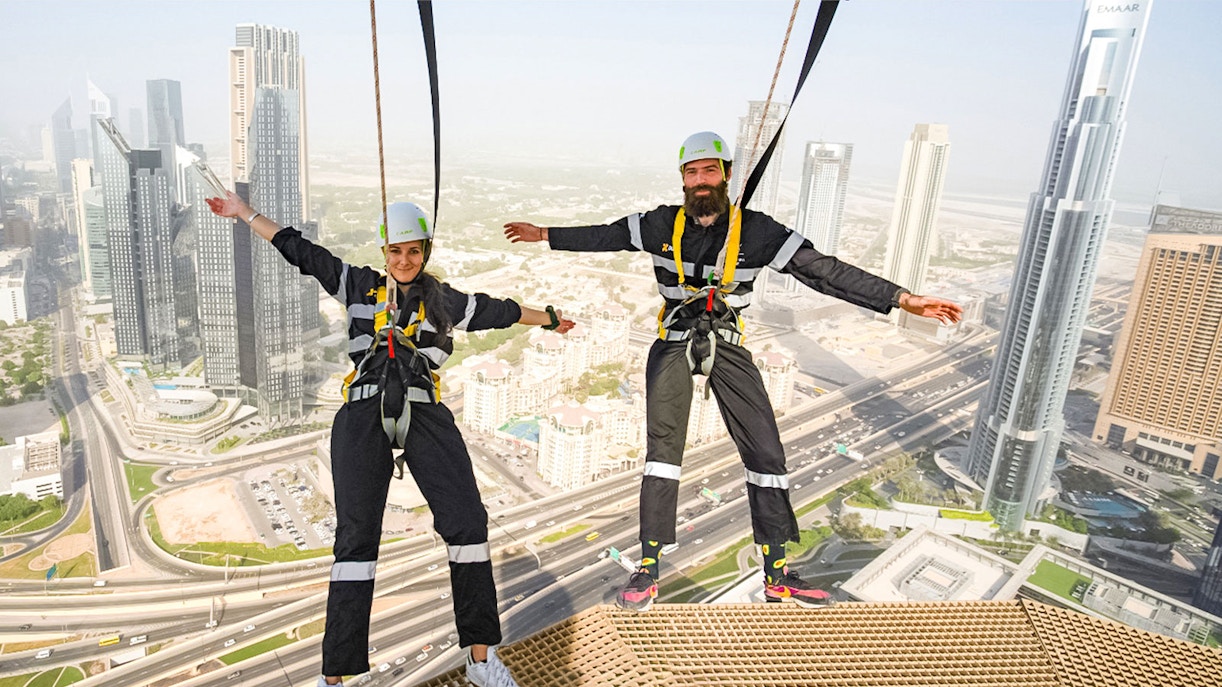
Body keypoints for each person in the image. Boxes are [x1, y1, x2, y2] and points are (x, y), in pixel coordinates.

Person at [504, 131, 962, 612]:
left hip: (726, 342)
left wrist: (901, 298)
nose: (700, 180)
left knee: (766, 453)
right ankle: (648, 568)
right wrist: (546, 235)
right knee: (663, 453)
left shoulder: (757, 231)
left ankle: (777, 573)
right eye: (691, 172)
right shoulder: (659, 224)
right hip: (675, 340)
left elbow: (823, 270)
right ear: (682, 180)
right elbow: (605, 235)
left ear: (725, 176)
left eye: (709, 171)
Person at [207, 193, 572, 686]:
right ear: (384, 252)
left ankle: (481, 659)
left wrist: (548, 318)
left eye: (414, 252)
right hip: (363, 411)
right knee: (356, 540)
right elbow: (298, 249)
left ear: (425, 251)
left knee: (467, 523)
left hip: (424, 413)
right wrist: (243, 213)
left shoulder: (442, 301)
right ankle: (335, 677)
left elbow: (498, 311)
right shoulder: (357, 285)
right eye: (396, 251)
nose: (404, 260)